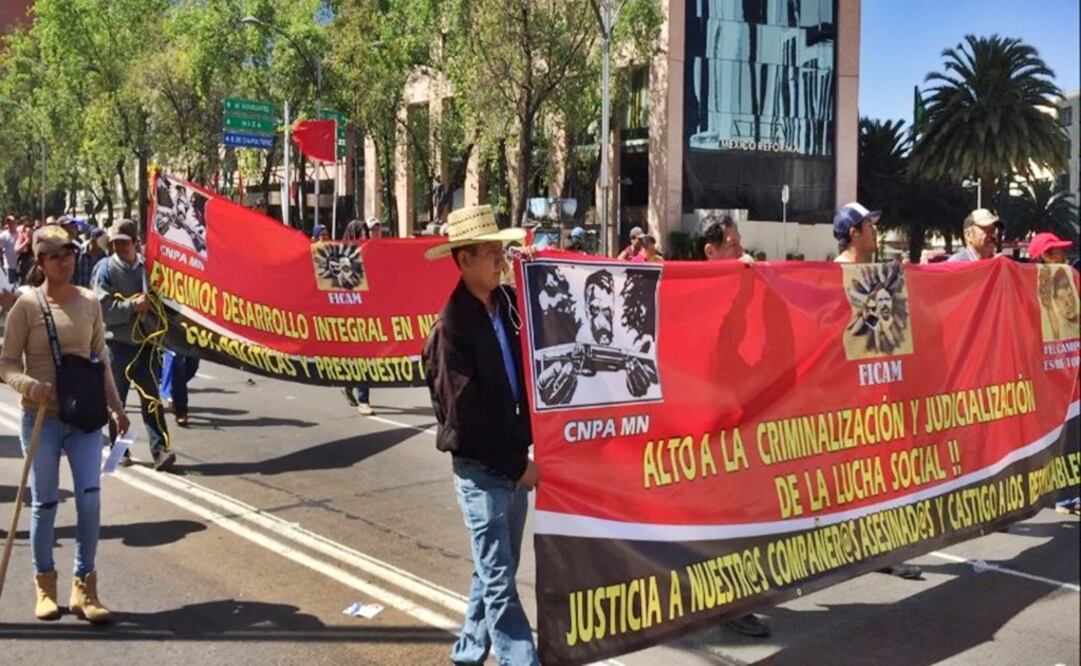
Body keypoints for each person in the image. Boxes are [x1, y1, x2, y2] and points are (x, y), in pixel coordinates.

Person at [422, 205, 540, 665]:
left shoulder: (507, 303)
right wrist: (519, 466)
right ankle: (521, 660)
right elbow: (466, 423)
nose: (500, 259)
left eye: (501, 250)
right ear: (463, 260)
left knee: (495, 571)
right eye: (490, 253)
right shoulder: (451, 330)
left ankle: (468, 654)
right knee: (499, 581)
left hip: (512, 464)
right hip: (484, 473)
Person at [0, 223, 130, 623]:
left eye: (69, 253)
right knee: (45, 504)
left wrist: (116, 407)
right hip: (42, 420)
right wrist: (31, 386)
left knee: (90, 499)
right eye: (55, 255)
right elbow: (5, 364)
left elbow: (101, 360)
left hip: (85, 417)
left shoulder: (89, 301)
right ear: (40, 261)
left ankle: (84, 588)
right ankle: (45, 586)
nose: (64, 260)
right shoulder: (26, 306)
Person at [91, 220, 174, 471]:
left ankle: (160, 451)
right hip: (117, 346)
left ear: (134, 243)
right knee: (117, 402)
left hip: (145, 344)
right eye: (115, 243)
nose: (118, 247)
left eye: (123, 243)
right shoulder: (105, 269)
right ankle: (120, 450)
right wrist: (133, 306)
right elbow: (102, 309)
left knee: (151, 399)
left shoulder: (149, 269)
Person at [1, 214, 19, 285]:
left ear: (14, 223)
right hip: (8, 266)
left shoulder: (19, 234)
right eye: (8, 222)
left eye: (11, 222)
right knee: (11, 286)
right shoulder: (3, 235)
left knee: (19, 288)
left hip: (19, 266)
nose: (10, 224)